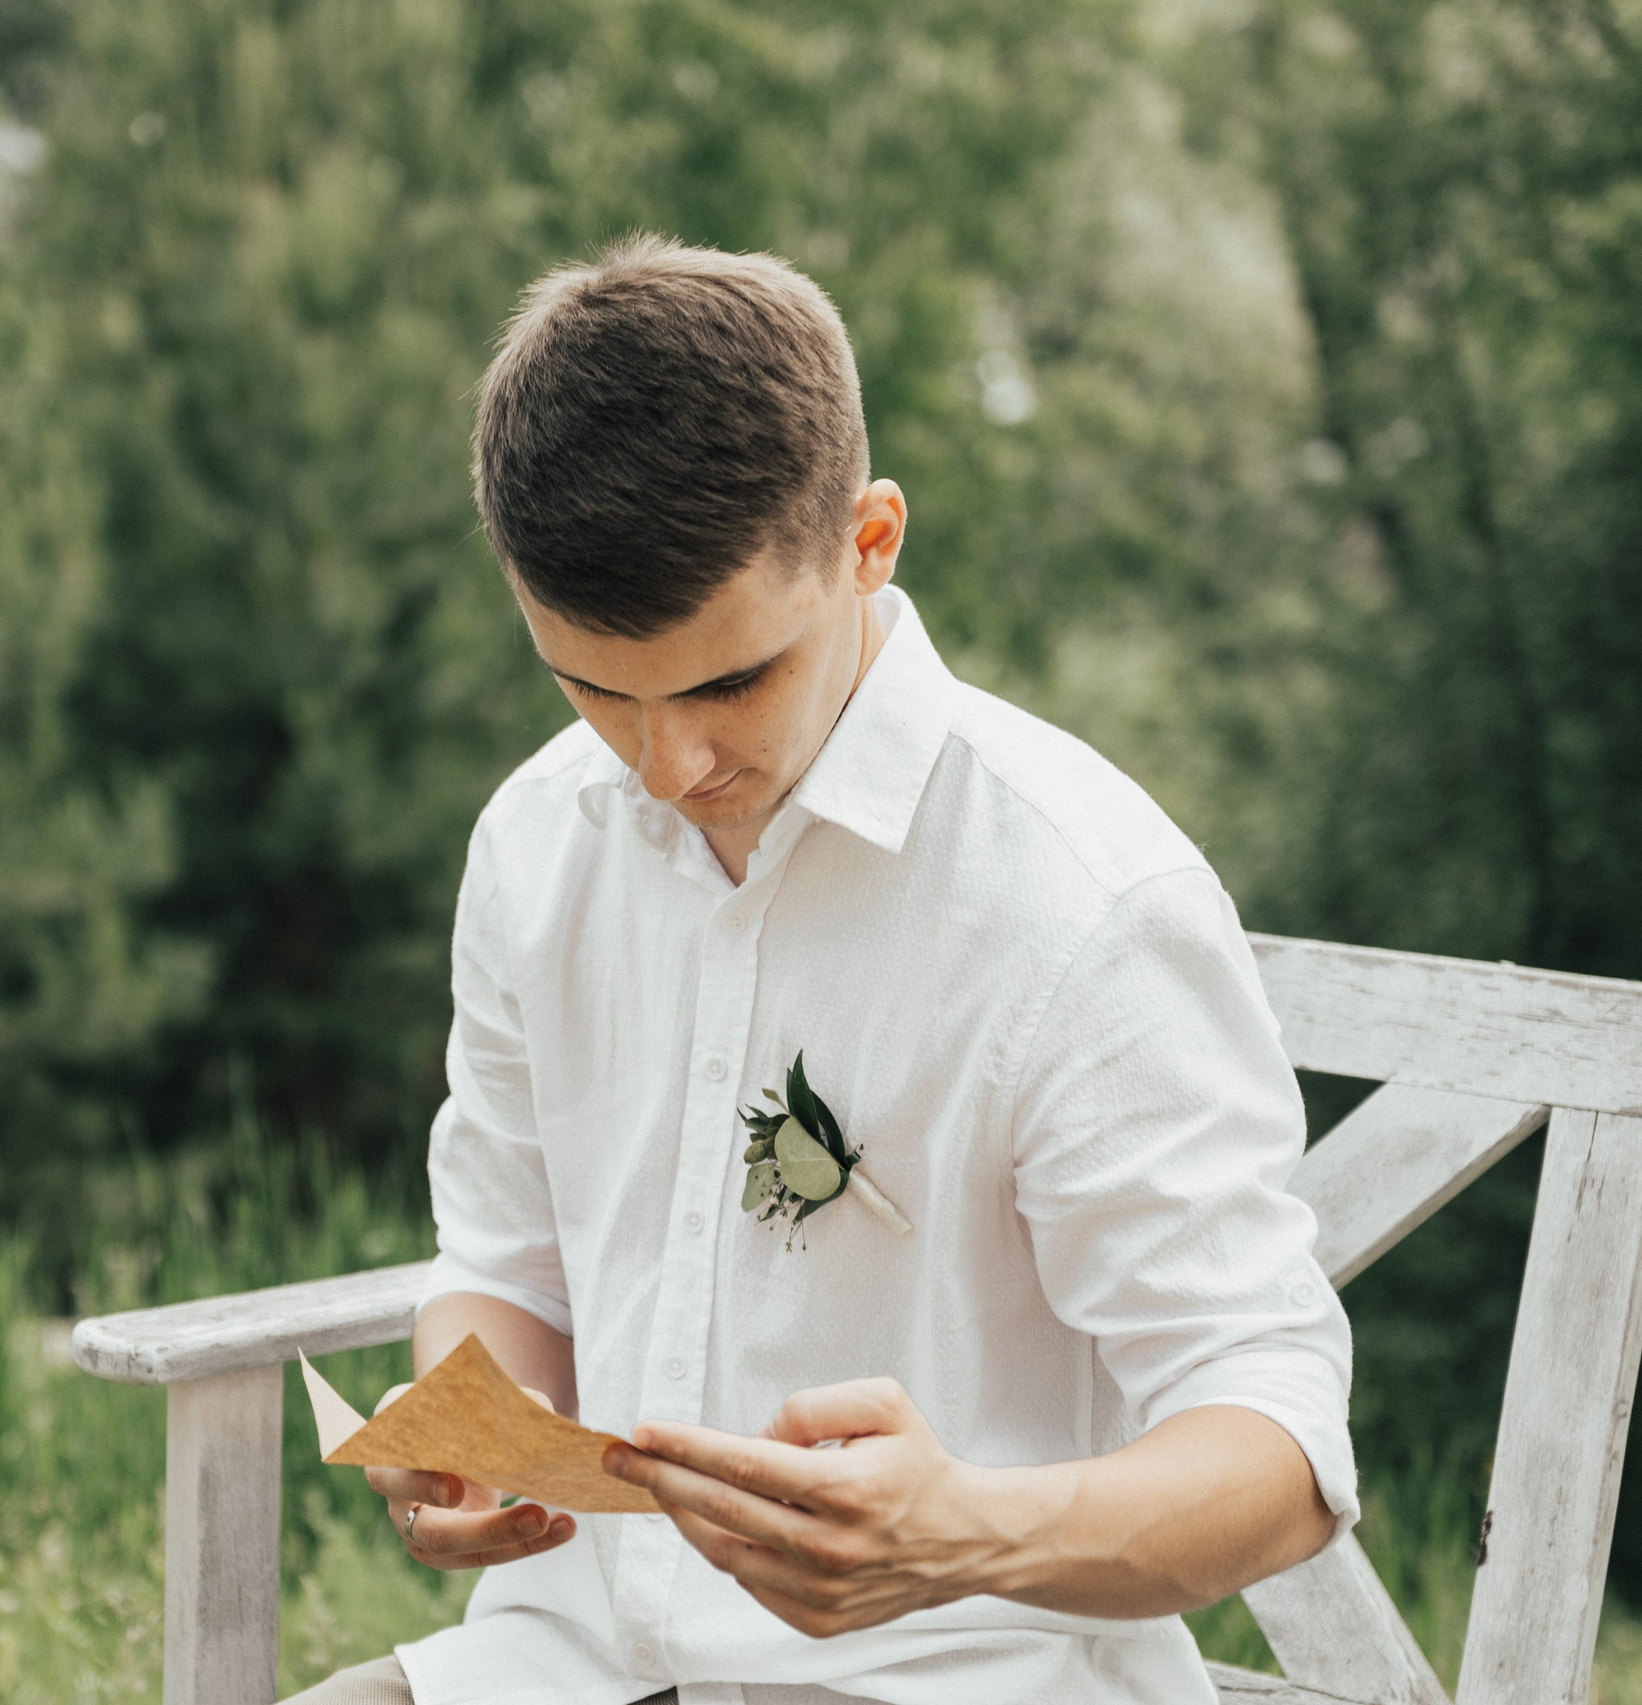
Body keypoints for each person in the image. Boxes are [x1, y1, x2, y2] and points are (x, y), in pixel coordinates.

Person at [288, 236, 1353, 1705]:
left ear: (869, 541)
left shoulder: (1081, 896)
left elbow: (1280, 1455)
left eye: (732, 681)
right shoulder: (538, 840)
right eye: (596, 688)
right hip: (571, 1661)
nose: (671, 765)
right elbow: (501, 1264)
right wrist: (475, 1425)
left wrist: (955, 1533)